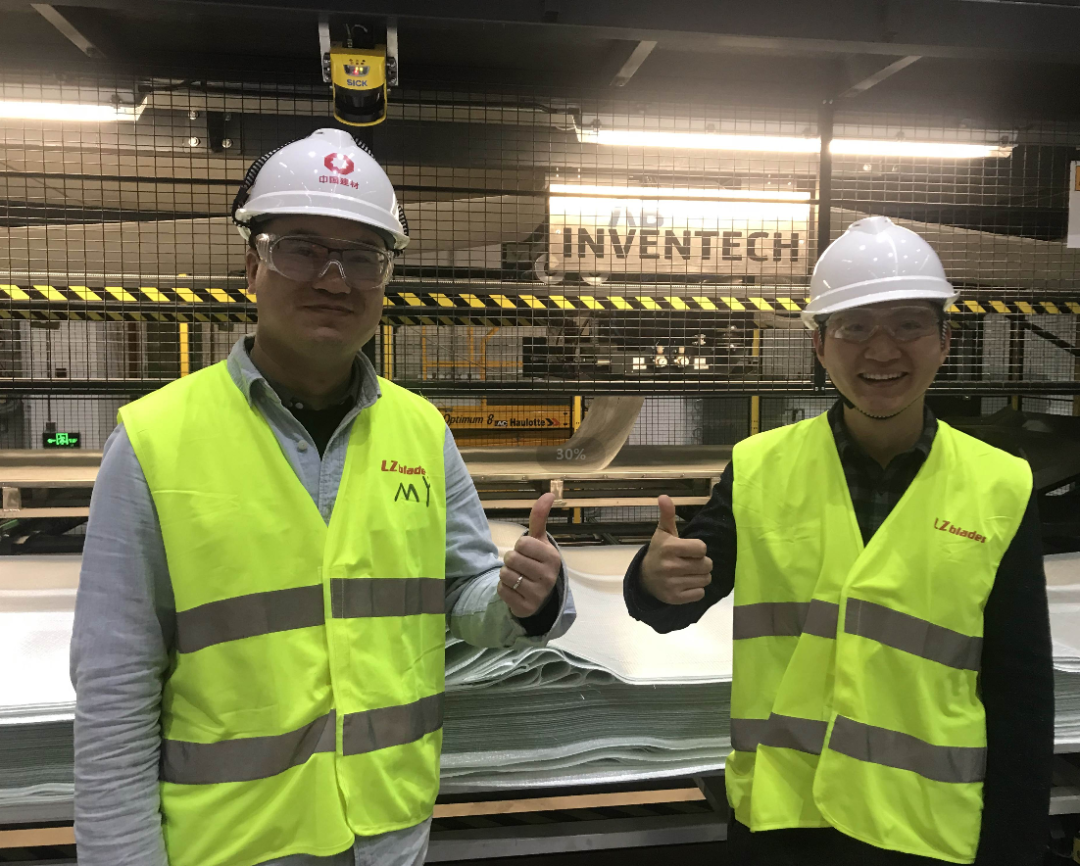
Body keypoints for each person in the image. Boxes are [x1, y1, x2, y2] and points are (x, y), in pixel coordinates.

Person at [71, 128, 575, 866]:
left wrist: (526, 598)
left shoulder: (421, 431)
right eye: (302, 250)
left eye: (363, 257)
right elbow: (114, 687)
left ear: (385, 279)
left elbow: (464, 596)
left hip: (388, 833)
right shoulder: (153, 441)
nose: (335, 280)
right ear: (253, 265)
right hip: (231, 845)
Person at [624, 216, 1053, 865]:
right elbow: (678, 599)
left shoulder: (1000, 485)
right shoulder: (760, 468)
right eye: (854, 327)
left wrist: (1014, 848)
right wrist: (652, 581)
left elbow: (1021, 688)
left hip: (926, 831)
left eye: (907, 324)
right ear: (820, 345)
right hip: (786, 821)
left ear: (945, 341)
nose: (881, 351)